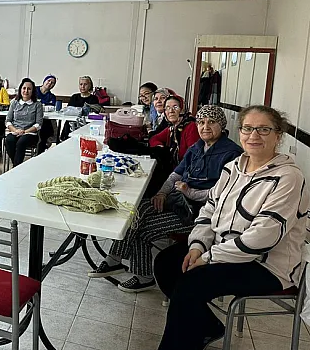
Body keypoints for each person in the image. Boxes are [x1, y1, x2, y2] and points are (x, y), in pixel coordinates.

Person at [153, 105, 309, 350]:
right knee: (166, 264)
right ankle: (207, 327)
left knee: (190, 285)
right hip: (223, 249)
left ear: (278, 135)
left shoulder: (288, 177)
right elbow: (209, 211)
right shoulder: (233, 167)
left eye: (263, 129)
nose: (254, 135)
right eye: (248, 128)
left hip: (265, 264)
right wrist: (197, 246)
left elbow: (262, 238)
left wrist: (208, 258)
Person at [89, 105, 242, 292]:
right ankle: (116, 259)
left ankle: (141, 274)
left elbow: (224, 193)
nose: (205, 127)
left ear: (222, 125)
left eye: (211, 122)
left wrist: (190, 193)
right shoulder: (198, 147)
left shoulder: (232, 154)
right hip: (179, 201)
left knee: (143, 229)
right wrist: (161, 193)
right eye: (201, 122)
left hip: (199, 215)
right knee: (136, 210)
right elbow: (175, 175)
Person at [5, 78, 43, 167]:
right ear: (20, 89)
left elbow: (38, 124)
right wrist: (15, 130)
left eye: (29, 89)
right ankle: (17, 166)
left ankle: (16, 167)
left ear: (33, 91)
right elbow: (8, 121)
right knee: (9, 140)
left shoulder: (37, 105)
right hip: (15, 131)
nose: (26, 91)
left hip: (30, 133)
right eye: (24, 88)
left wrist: (25, 131)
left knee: (21, 142)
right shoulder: (14, 103)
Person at [36, 75, 57, 153]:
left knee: (47, 127)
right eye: (48, 81)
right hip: (31, 117)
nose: (50, 83)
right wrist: (44, 106)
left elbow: (52, 108)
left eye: (52, 83)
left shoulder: (52, 96)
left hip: (44, 119)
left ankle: (41, 150)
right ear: (44, 81)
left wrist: (40, 106)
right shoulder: (34, 90)